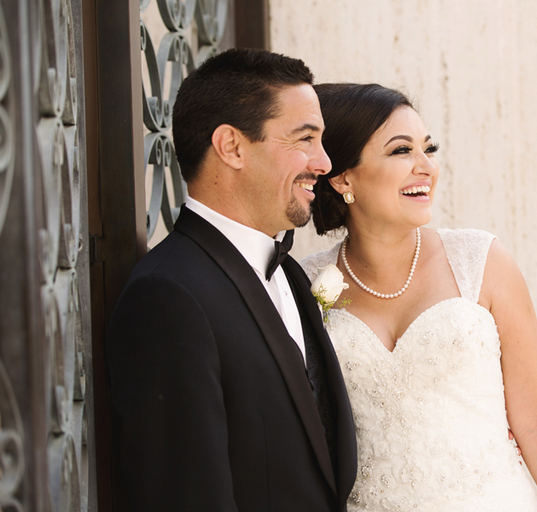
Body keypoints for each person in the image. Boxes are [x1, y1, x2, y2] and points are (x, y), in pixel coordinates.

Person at [300, 83, 537, 512]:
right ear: (344, 177)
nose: (426, 168)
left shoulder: (481, 261)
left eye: (428, 148)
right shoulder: (304, 285)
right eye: (402, 151)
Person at [107, 50, 357, 511]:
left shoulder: (293, 278)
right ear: (232, 147)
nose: (323, 162)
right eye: (305, 139)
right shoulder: (167, 295)